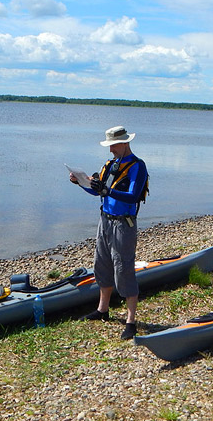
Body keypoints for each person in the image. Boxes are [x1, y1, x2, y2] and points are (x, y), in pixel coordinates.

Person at [70, 126, 149, 340]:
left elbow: (133, 196)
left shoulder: (138, 166)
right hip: (105, 220)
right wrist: (80, 183)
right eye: (109, 146)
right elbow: (98, 191)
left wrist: (108, 191)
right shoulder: (110, 165)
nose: (111, 149)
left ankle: (131, 321)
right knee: (102, 263)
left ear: (124, 143)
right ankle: (102, 309)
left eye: (113, 145)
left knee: (123, 268)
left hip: (124, 224)